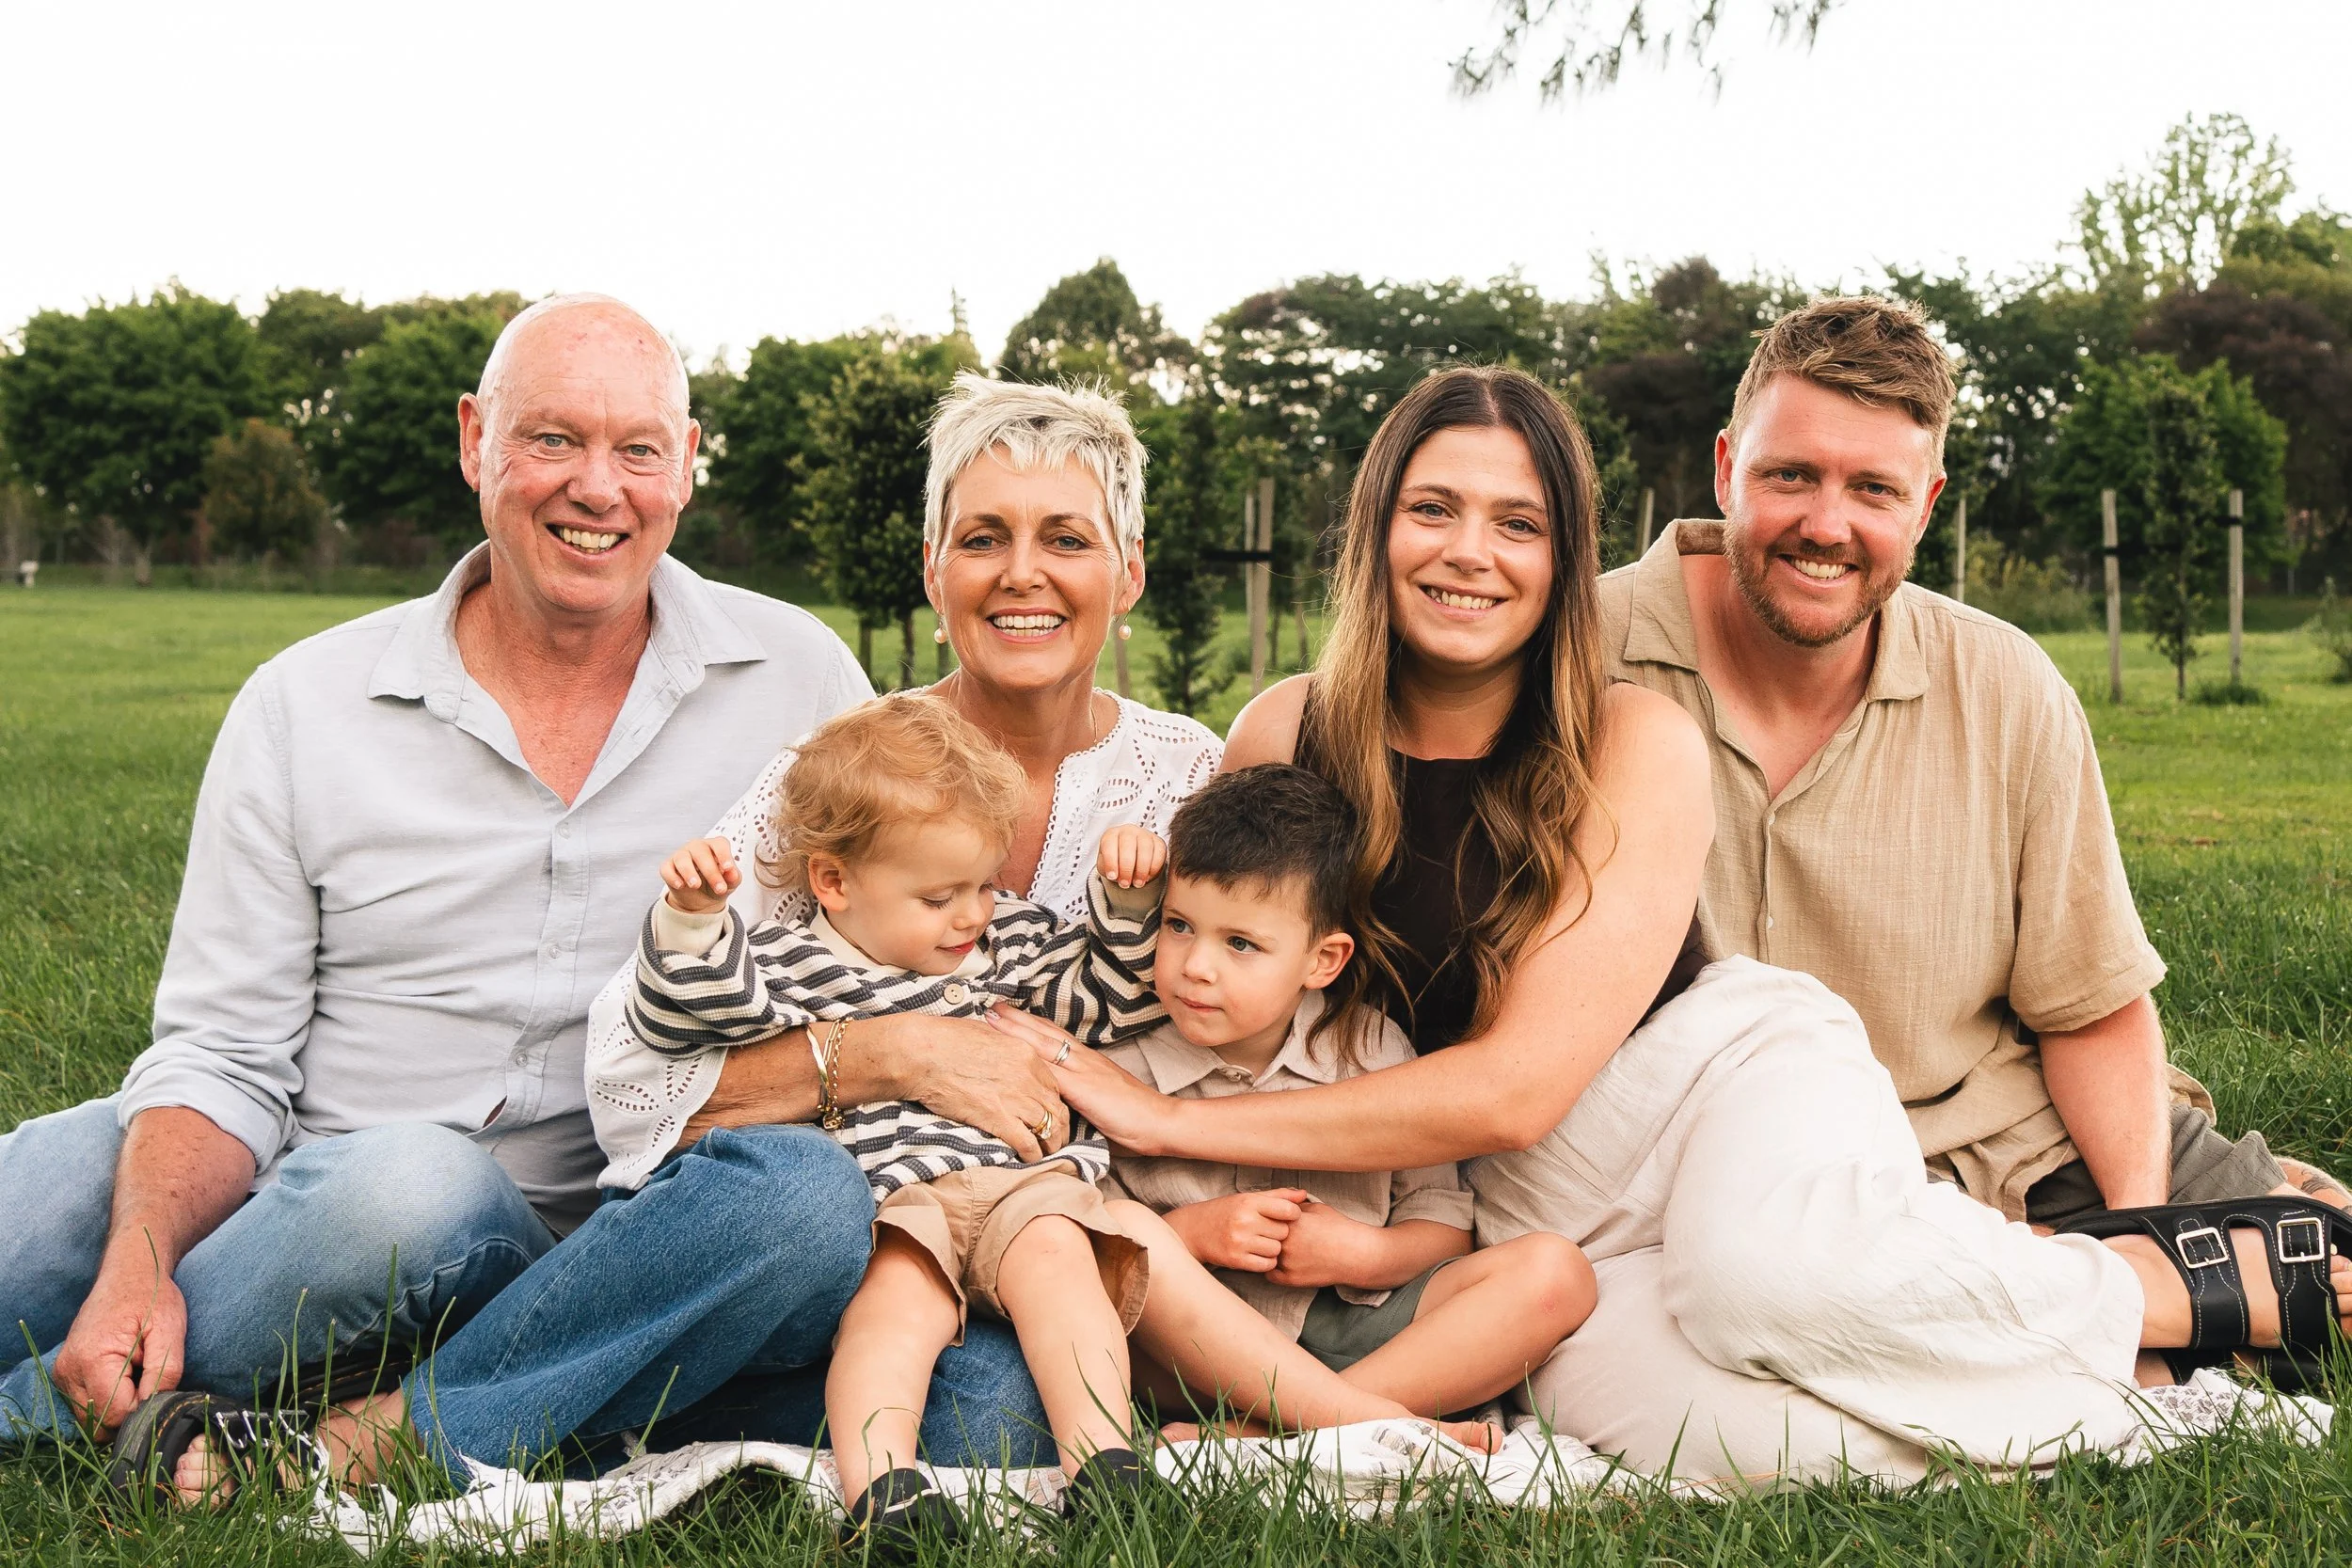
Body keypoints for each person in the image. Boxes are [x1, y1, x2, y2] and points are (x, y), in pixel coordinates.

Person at [1025, 364, 2352, 1486]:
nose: (1469, 551)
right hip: (1520, 1209)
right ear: (1377, 527)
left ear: (1563, 558)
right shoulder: (1286, 730)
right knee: (1744, 1441)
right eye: (1432, 508)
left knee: (1759, 1279)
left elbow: (1519, 1083)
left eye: (1518, 522)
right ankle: (2172, 1397)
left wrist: (1169, 1123)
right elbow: (1212, 959)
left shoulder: (1628, 735)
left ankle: (2168, 1287)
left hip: (1709, 1079)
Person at [215, 373, 1224, 1497]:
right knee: (794, 1196)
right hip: (813, 1238)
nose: (1020, 571)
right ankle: (398, 1431)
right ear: (935, 568)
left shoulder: (1186, 780)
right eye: (981, 535)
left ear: (1127, 569)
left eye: (1067, 538)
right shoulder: (847, 774)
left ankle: (564, 1397)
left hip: (1023, 1250)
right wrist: (888, 1053)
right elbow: (635, 1080)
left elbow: (1235, 1027)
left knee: (993, 1413)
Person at [0, 295, 882, 1494]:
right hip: (298, 1176)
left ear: (686, 465)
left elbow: (884, 937)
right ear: (476, 441)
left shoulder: (798, 677)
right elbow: (220, 1049)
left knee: (428, 1185)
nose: (597, 487)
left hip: (594, 1234)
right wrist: (141, 1256)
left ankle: (76, 1413)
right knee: (47, 1187)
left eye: (638, 449)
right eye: (552, 438)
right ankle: (171, 1366)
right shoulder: (305, 700)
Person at [1596, 293, 2346, 1232]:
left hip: (2002, 1145)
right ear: (1724, 468)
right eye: (1790, 474)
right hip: (1715, 1187)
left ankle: (2228, 1222)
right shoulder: (1574, 658)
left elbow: (2086, 1007)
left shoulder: (2005, 684)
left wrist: (2141, 1237)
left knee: (2315, 1267)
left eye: (1873, 489)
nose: (1826, 525)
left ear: (1927, 504)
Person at [617, 695, 1169, 1544]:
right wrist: (691, 921)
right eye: (941, 894)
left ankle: (1105, 1464)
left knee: (1063, 1263)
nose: (972, 914)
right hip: (892, 1201)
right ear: (834, 882)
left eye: (986, 884)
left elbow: (1104, 1001)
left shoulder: (1010, 942)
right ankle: (881, 1492)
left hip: (1020, 1185)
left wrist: (1125, 907)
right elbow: (685, 1016)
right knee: (891, 1313)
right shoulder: (794, 963)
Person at [1098, 764, 1596, 1420]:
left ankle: (1273, 1438)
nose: (1196, 965)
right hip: (1196, 1353)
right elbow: (1088, 1251)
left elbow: (1446, 1225)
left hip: (1356, 1331)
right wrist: (1192, 1233)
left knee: (1557, 1274)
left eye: (1240, 942)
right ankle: (1352, 1425)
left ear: (1322, 960)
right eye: (1179, 925)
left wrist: (1365, 1253)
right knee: (1131, 1235)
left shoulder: (1369, 1050)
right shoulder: (1121, 1071)